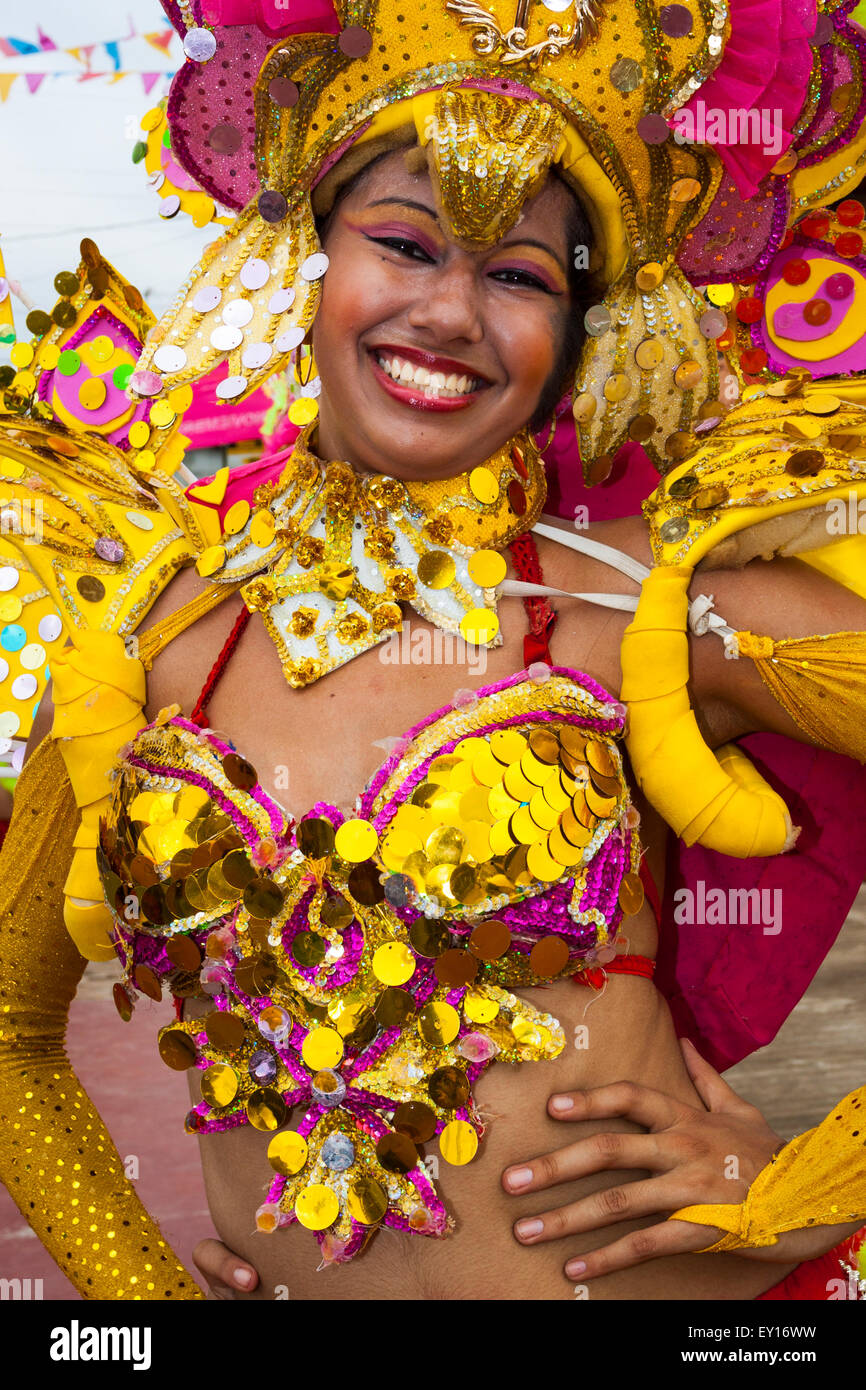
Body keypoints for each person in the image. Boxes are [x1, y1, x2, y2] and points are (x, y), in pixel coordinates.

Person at [1, 0, 865, 1301]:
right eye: (402, 245)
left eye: (518, 275)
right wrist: (144, 1305)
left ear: (580, 331)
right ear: (306, 255)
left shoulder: (652, 609)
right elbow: (12, 1032)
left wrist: (821, 1185)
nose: (450, 310)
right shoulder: (149, 640)